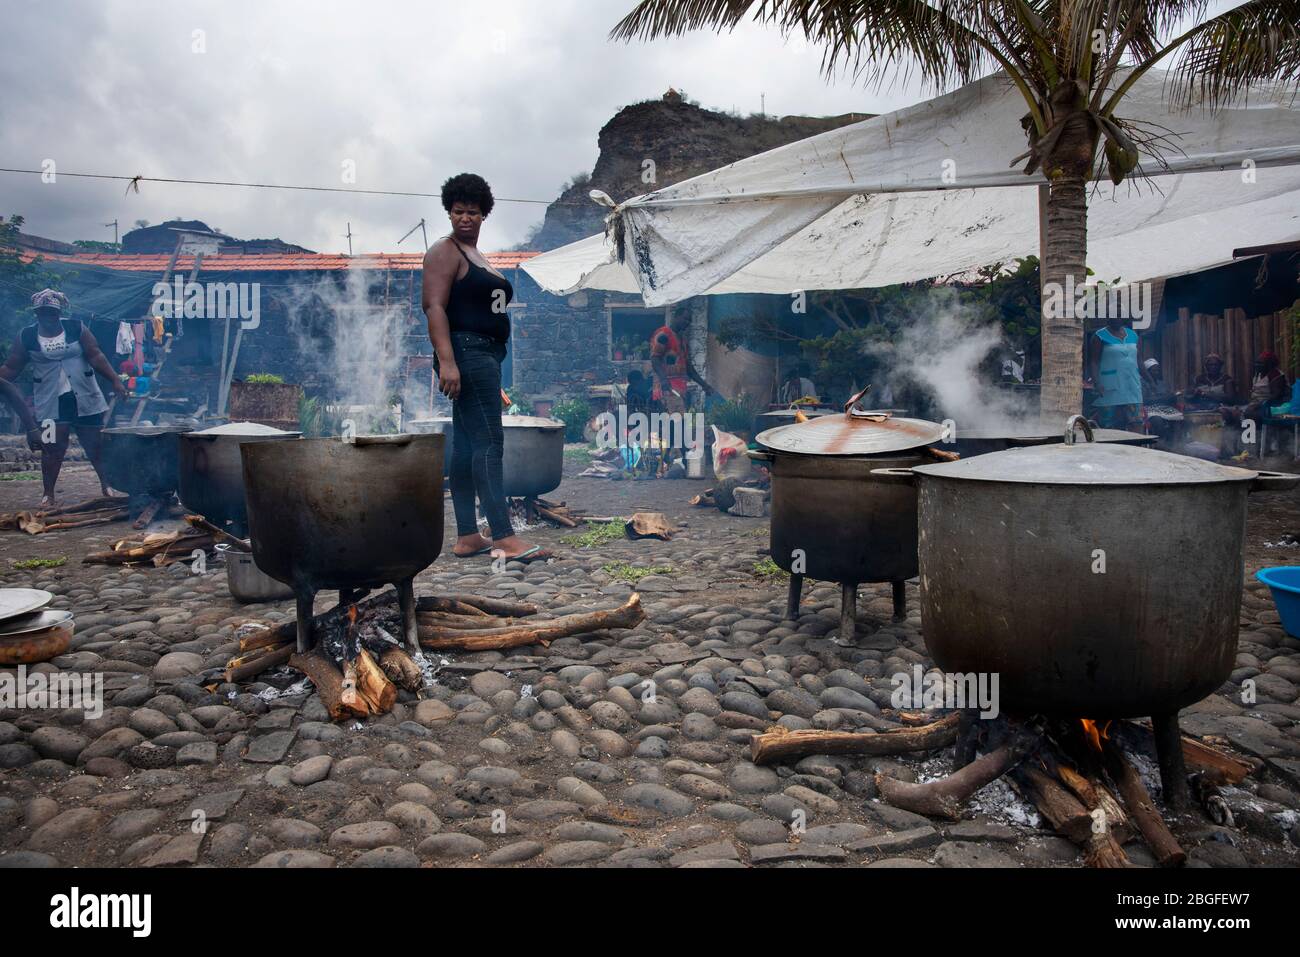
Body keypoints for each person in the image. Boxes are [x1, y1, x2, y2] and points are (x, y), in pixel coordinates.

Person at [421, 173, 549, 563]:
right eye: (458, 211)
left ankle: (467, 536)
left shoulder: (478, 257)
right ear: (449, 212)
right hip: (465, 352)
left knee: (465, 447)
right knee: (491, 443)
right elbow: (434, 307)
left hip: (484, 358)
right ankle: (505, 538)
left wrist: (486, 367)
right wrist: (447, 362)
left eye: (473, 212)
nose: (465, 218)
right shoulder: (445, 251)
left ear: (483, 215)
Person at [0, 289, 126, 507]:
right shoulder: (27, 336)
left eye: (52, 313)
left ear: (59, 313)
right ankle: (48, 494)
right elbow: (12, 367)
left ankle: (107, 485)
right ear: (37, 313)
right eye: (43, 313)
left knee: (95, 444)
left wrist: (115, 380)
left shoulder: (76, 328)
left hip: (85, 395)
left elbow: (96, 355)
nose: (48, 317)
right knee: (51, 446)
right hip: (49, 400)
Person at [650, 308, 715, 414]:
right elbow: (655, 359)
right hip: (667, 389)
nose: (687, 323)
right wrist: (663, 380)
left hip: (679, 389)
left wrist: (704, 385)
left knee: (678, 424)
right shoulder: (664, 334)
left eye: (689, 321)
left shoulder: (682, 340)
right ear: (676, 317)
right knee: (671, 424)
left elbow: (688, 367)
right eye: (685, 319)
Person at [1222, 351, 1290, 448]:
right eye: (1256, 363)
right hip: (1256, 404)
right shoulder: (1258, 374)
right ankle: (1232, 446)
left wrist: (1259, 405)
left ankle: (1252, 446)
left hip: (1273, 407)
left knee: (1248, 413)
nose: (1257, 365)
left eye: (1260, 363)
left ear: (1269, 364)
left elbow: (1277, 395)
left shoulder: (1275, 375)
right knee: (1226, 411)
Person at [1087, 317, 1143, 430]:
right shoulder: (1099, 336)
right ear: (1108, 317)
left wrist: (1150, 381)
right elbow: (1094, 362)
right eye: (1114, 315)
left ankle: (1135, 447)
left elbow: (1140, 360)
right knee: (1109, 426)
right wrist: (1096, 383)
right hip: (1109, 388)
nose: (1117, 318)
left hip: (1132, 387)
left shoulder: (1133, 335)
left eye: (1120, 314)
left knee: (1136, 424)